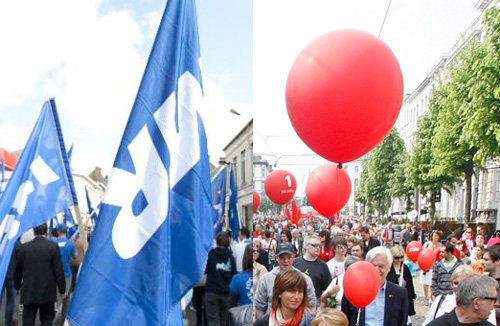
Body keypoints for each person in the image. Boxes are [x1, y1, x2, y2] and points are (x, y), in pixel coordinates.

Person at [341, 247, 408, 326]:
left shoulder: (399, 294)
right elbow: (344, 320)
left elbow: (402, 322)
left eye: (381, 266)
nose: (376, 270)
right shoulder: (353, 291)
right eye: (373, 265)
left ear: (389, 268)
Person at [14, 223, 66, 326]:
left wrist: (17, 286)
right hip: (47, 291)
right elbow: (58, 271)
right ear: (46, 231)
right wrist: (62, 290)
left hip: (29, 289)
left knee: (28, 319)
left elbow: (18, 270)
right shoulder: (53, 247)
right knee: (47, 318)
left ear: (34, 230)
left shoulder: (24, 248)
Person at [255, 242, 317, 318]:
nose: (286, 260)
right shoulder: (266, 279)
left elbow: (312, 305)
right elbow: (260, 308)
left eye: (288, 257)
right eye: (282, 257)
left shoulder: (305, 279)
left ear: (294, 257)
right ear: (277, 258)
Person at [422, 265, 496, 325]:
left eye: (464, 283)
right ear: (476, 302)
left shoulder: (487, 317)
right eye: (456, 283)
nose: (460, 287)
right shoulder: (442, 301)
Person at [204, 231, 236, 326]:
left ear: (217, 242)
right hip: (226, 292)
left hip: (212, 291)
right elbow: (234, 273)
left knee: (213, 320)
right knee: (224, 319)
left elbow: (204, 270)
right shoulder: (231, 257)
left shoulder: (211, 255)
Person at [293, 235, 332, 305]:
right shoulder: (295, 262)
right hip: (296, 298)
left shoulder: (323, 266)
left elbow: (325, 289)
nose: (318, 248)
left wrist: (321, 307)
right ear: (307, 246)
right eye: (315, 245)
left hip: (314, 301)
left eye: (319, 246)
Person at [51, 226, 77, 325]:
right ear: (66, 232)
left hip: (54, 273)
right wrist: (72, 244)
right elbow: (75, 256)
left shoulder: (52, 242)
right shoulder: (70, 243)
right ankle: (64, 314)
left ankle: (52, 317)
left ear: (58, 231)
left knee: (55, 295)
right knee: (66, 294)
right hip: (66, 273)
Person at [387, 245, 416, 319]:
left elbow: (410, 285)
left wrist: (412, 300)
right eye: (397, 258)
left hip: (403, 300)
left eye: (401, 257)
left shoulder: (405, 268)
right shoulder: (388, 268)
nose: (399, 260)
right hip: (391, 300)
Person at [421, 230, 442, 305]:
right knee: (425, 282)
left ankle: (430, 297)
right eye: (434, 235)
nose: (435, 237)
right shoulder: (427, 244)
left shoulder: (440, 245)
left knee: (432, 282)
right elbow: (422, 253)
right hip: (427, 264)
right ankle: (426, 297)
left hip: (435, 265)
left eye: (437, 235)